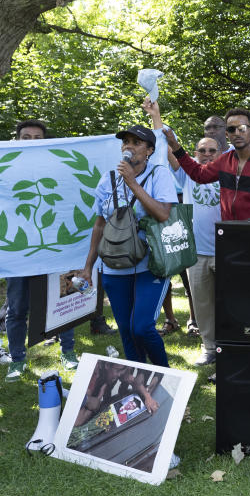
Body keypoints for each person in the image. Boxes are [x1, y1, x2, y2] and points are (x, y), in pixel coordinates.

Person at [75, 124, 177, 368]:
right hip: (114, 267)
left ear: (150, 150)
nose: (129, 146)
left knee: (141, 327)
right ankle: (140, 384)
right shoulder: (108, 178)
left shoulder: (158, 174)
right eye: (126, 142)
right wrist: (88, 267)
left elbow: (163, 214)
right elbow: (100, 225)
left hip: (151, 264)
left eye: (136, 142)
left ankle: (166, 378)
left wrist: (132, 183)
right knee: (127, 333)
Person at [2, 120, 80, 380]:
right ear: (17, 140)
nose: (32, 141)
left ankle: (68, 352)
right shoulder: (6, 169)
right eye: (26, 137)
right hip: (18, 253)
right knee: (17, 308)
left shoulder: (58, 168)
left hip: (55, 249)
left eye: (38, 137)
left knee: (64, 301)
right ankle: (17, 359)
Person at [147, 104, 223, 366]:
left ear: (220, 153)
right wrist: (156, 117)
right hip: (198, 252)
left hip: (226, 250)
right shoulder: (188, 174)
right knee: (202, 304)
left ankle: (230, 346)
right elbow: (166, 149)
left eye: (212, 150)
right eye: (201, 150)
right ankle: (209, 347)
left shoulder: (229, 174)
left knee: (228, 304)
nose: (206, 154)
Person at [169, 107, 250, 220]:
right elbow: (199, 174)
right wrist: (176, 147)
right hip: (228, 233)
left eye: (242, 128)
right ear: (226, 134)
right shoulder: (224, 161)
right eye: (231, 129)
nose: (237, 133)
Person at [75, 360, 159, 427]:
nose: (119, 375)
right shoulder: (92, 379)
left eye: (121, 371)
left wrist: (148, 397)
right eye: (117, 370)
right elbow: (78, 421)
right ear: (107, 365)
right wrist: (95, 402)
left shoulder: (118, 368)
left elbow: (134, 381)